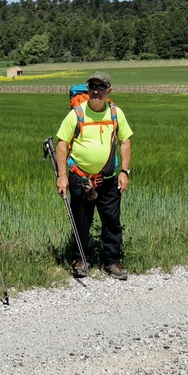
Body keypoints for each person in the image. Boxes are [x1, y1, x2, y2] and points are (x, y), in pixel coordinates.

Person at [55, 71, 133, 280]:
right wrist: (62, 176)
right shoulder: (77, 114)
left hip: (108, 179)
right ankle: (81, 259)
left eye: (101, 87)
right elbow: (62, 144)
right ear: (88, 89)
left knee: (112, 221)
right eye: (92, 87)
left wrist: (125, 171)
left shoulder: (116, 113)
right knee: (81, 221)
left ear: (109, 90)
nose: (96, 91)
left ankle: (113, 261)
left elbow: (125, 141)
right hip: (80, 178)